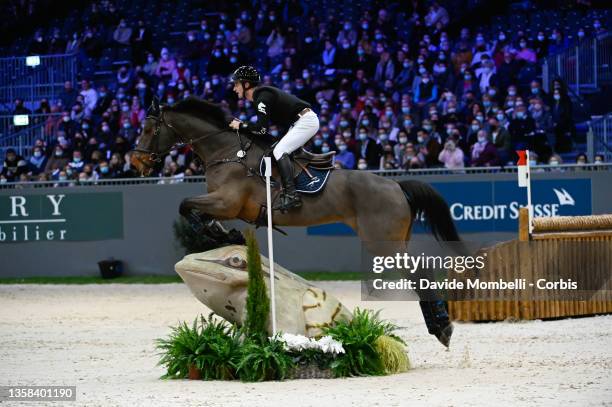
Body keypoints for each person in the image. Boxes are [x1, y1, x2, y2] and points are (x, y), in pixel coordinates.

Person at [229, 66, 319, 212]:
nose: (234, 88)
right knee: (274, 150)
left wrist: (241, 125)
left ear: (246, 84)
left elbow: (261, 129)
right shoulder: (261, 97)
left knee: (279, 151)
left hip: (305, 121)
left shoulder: (262, 96)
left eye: (236, 84)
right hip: (298, 122)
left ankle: (292, 195)